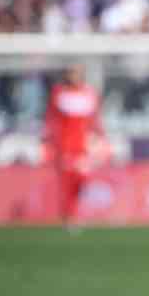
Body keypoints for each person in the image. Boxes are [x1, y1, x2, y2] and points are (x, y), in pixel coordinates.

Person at [43, 64, 104, 228]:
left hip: (83, 147)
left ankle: (73, 214)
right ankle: (69, 216)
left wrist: (99, 137)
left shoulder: (89, 94)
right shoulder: (59, 93)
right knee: (67, 183)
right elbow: (51, 120)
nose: (73, 76)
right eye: (71, 73)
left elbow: (95, 119)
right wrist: (50, 142)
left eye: (76, 73)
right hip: (65, 147)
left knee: (82, 181)